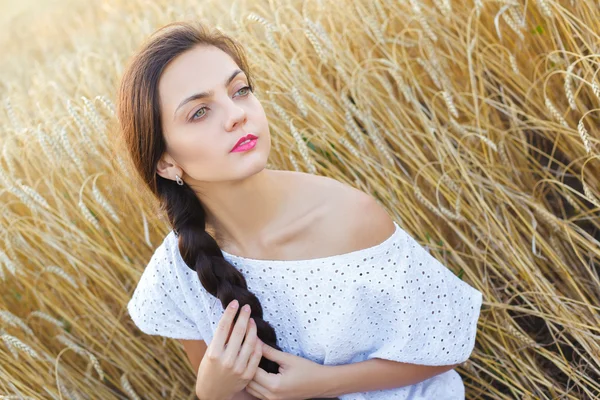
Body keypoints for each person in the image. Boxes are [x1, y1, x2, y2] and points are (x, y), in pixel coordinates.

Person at [117, 21, 483, 400]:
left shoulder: (349, 219)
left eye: (240, 90)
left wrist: (324, 383)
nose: (237, 115)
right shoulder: (177, 271)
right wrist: (212, 391)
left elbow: (445, 346)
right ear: (166, 164)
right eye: (199, 112)